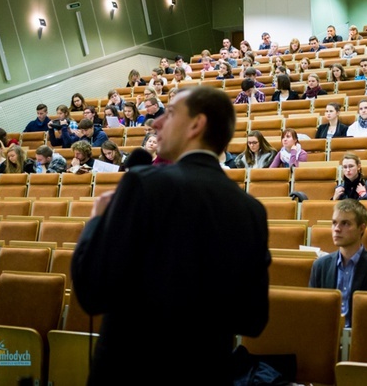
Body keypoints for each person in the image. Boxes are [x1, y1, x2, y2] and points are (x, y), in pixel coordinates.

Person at [72, 86, 269, 384]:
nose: (156, 122)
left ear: (196, 124)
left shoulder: (143, 183)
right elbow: (252, 319)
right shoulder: (252, 210)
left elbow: (92, 291)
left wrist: (96, 223)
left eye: (171, 113)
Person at [309, 199, 367, 328]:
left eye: (345, 223)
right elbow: (313, 311)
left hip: (362, 340)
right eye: (334, 223)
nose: (337, 229)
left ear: (361, 228)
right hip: (325, 337)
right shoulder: (320, 266)